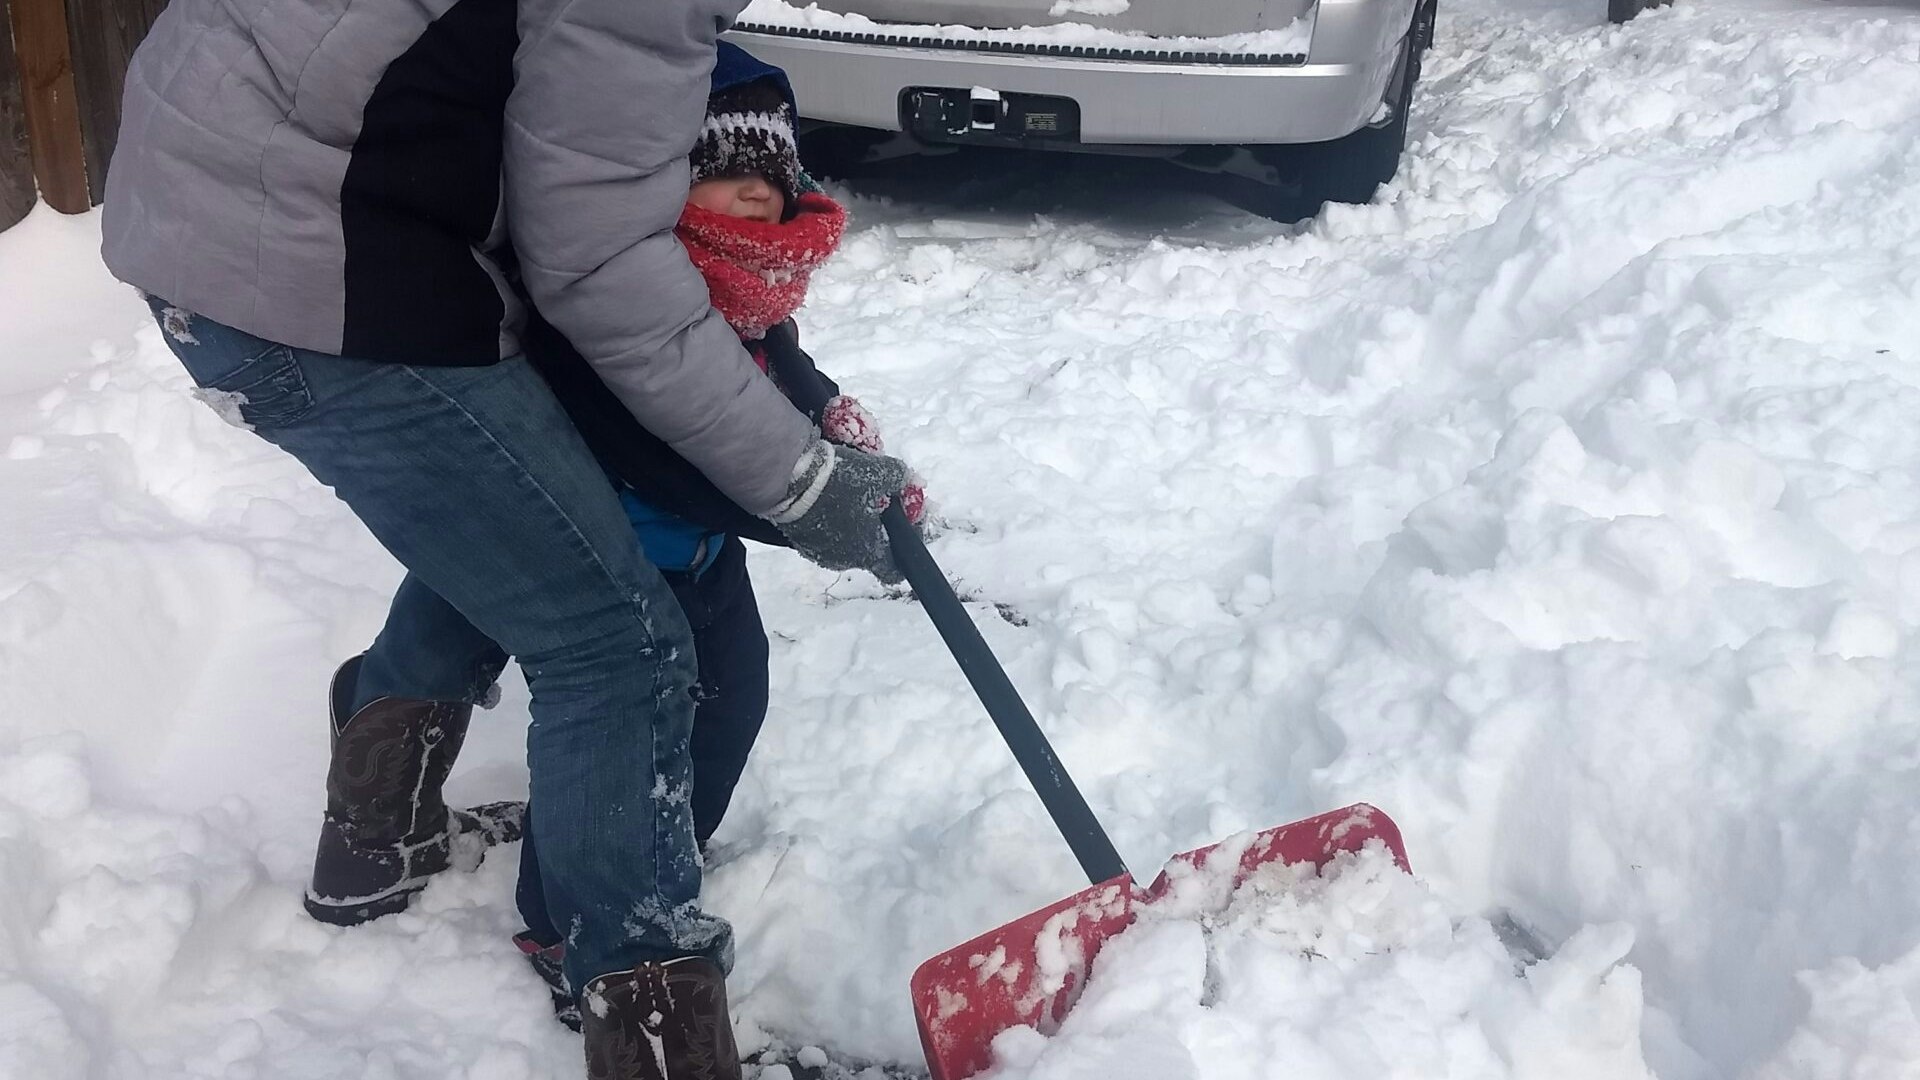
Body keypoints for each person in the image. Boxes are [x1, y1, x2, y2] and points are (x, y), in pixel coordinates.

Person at [99, 3, 918, 1077]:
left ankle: (374, 840)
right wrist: (799, 485)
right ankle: (653, 1023)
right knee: (618, 645)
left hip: (231, 204)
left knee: (509, 547)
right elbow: (606, 268)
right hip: (317, 247)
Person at [508, 45, 923, 1030]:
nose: (753, 199)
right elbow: (675, 456)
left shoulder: (751, 282)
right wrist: (817, 510)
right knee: (618, 731)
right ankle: (558, 912)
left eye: (771, 180)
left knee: (734, 699)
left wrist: (823, 418)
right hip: (611, 553)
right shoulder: (627, 292)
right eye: (724, 174)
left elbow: (776, 359)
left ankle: (668, 852)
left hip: (699, 550)